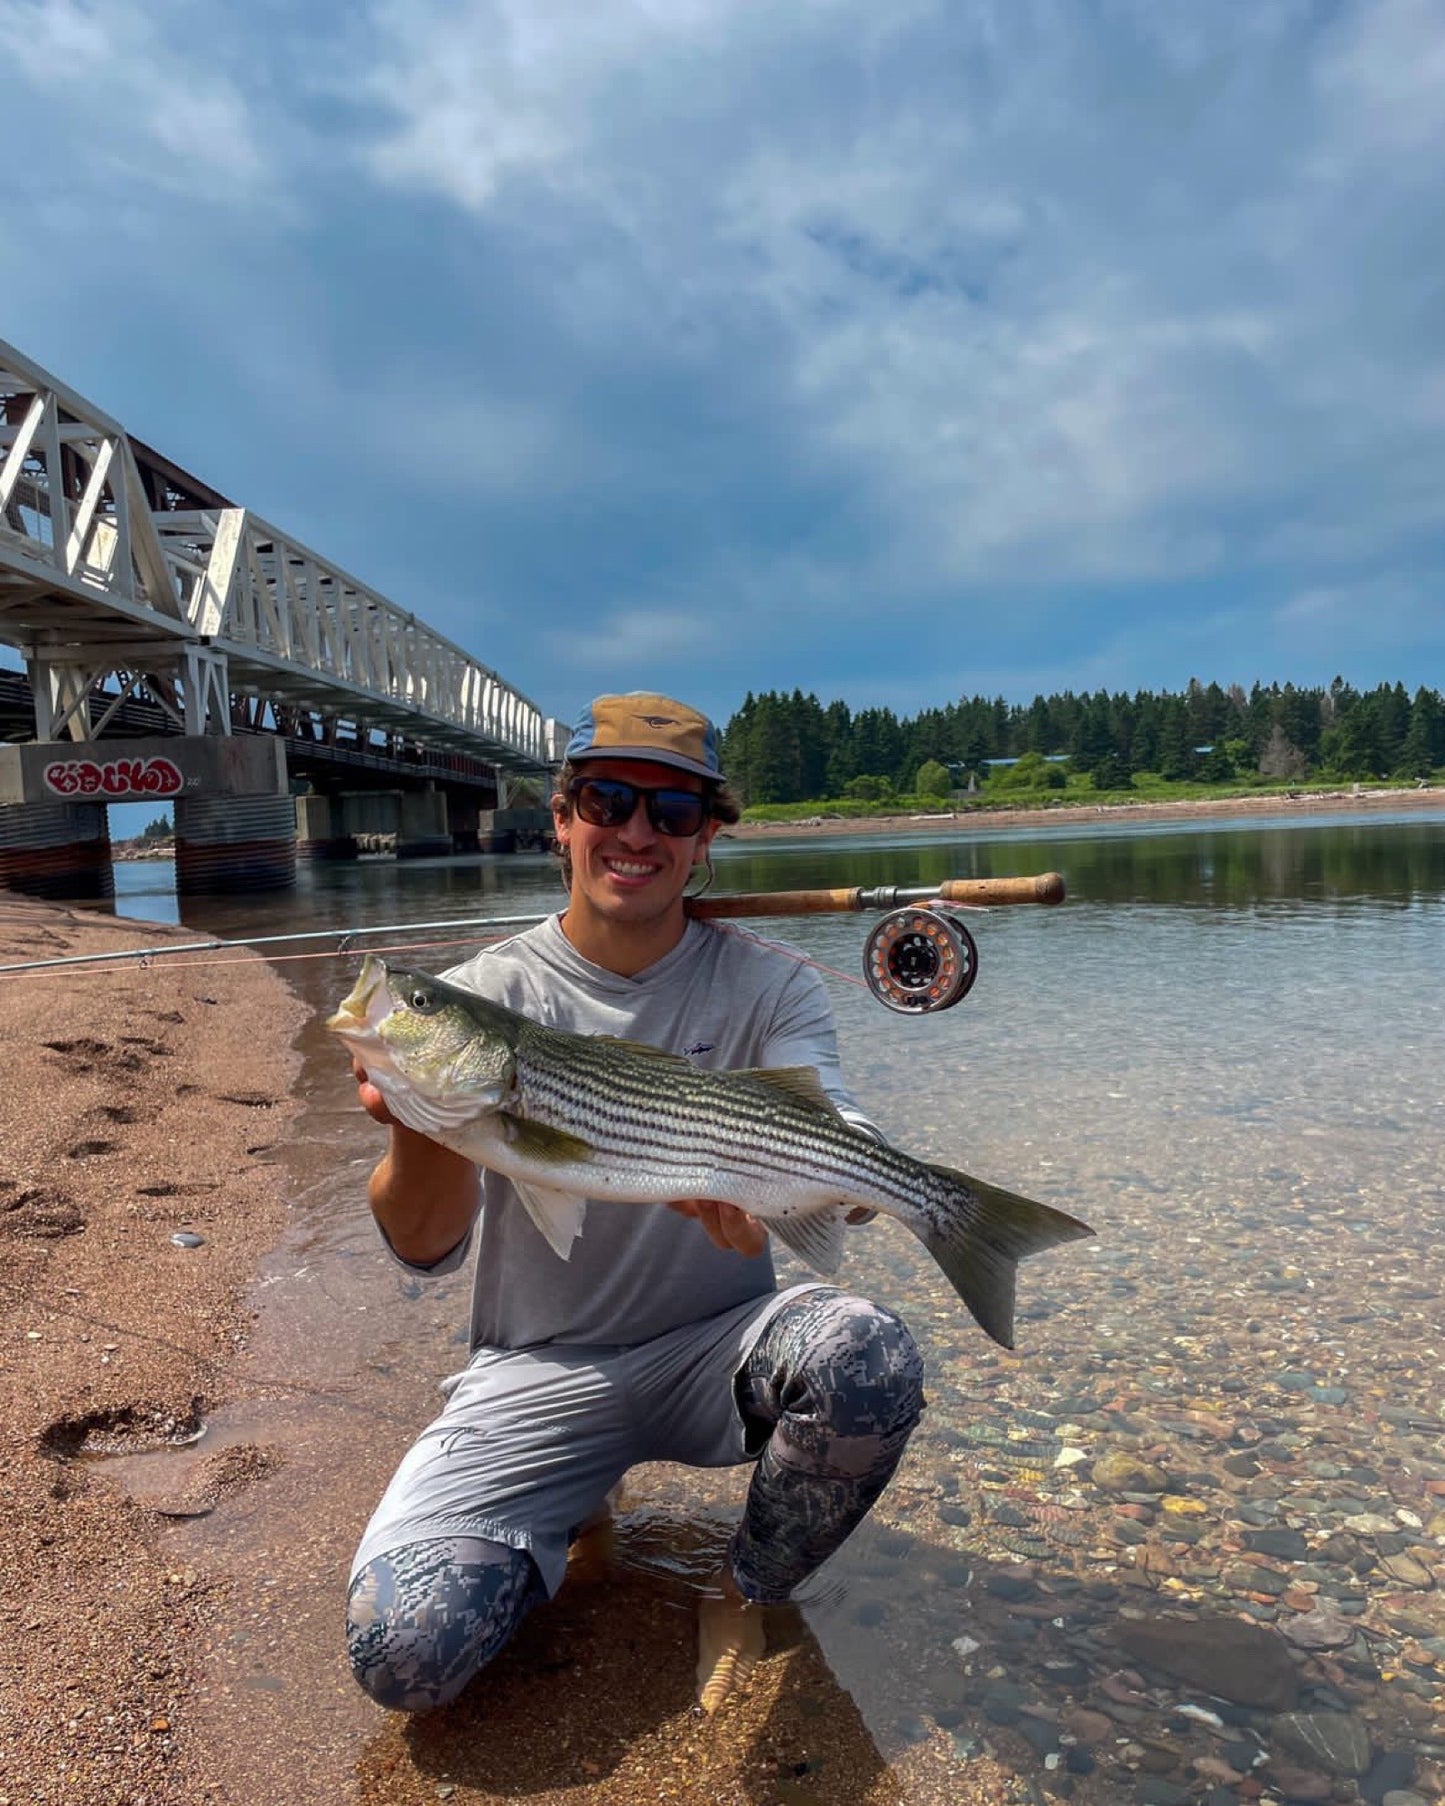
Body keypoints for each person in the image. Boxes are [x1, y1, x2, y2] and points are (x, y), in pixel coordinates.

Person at [344, 691, 925, 1716]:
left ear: (705, 837)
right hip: (537, 1366)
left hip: (717, 1348)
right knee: (405, 1653)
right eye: (608, 800)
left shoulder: (771, 986)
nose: (636, 833)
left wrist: (857, 1179)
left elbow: (829, 1109)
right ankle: (570, 1507)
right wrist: (414, 1120)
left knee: (864, 1354)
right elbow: (425, 1246)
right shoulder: (487, 990)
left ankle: (740, 1585)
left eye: (671, 812)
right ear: (561, 815)